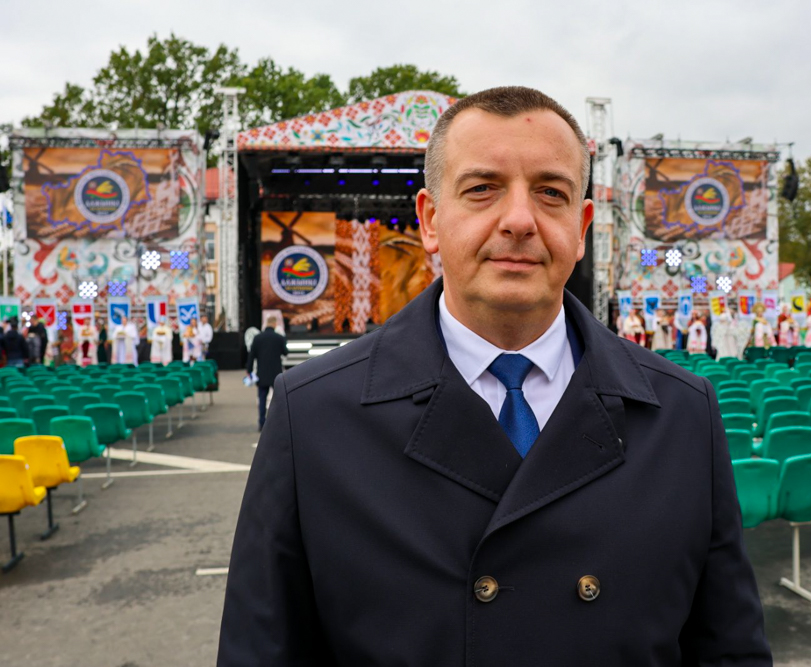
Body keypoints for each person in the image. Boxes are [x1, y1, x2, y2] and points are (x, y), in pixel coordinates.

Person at [219, 86, 770, 666]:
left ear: (581, 227)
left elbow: (729, 652)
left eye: (551, 193)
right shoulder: (312, 416)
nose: (519, 220)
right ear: (430, 220)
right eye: (482, 189)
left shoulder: (683, 413)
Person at [244, 315, 287, 432]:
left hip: (262, 373)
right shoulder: (279, 338)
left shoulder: (257, 338)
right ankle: (279, 423)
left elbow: (251, 356)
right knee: (279, 398)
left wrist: (249, 370)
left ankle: (262, 423)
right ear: (275, 324)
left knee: (262, 398)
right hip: (276, 374)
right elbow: (285, 352)